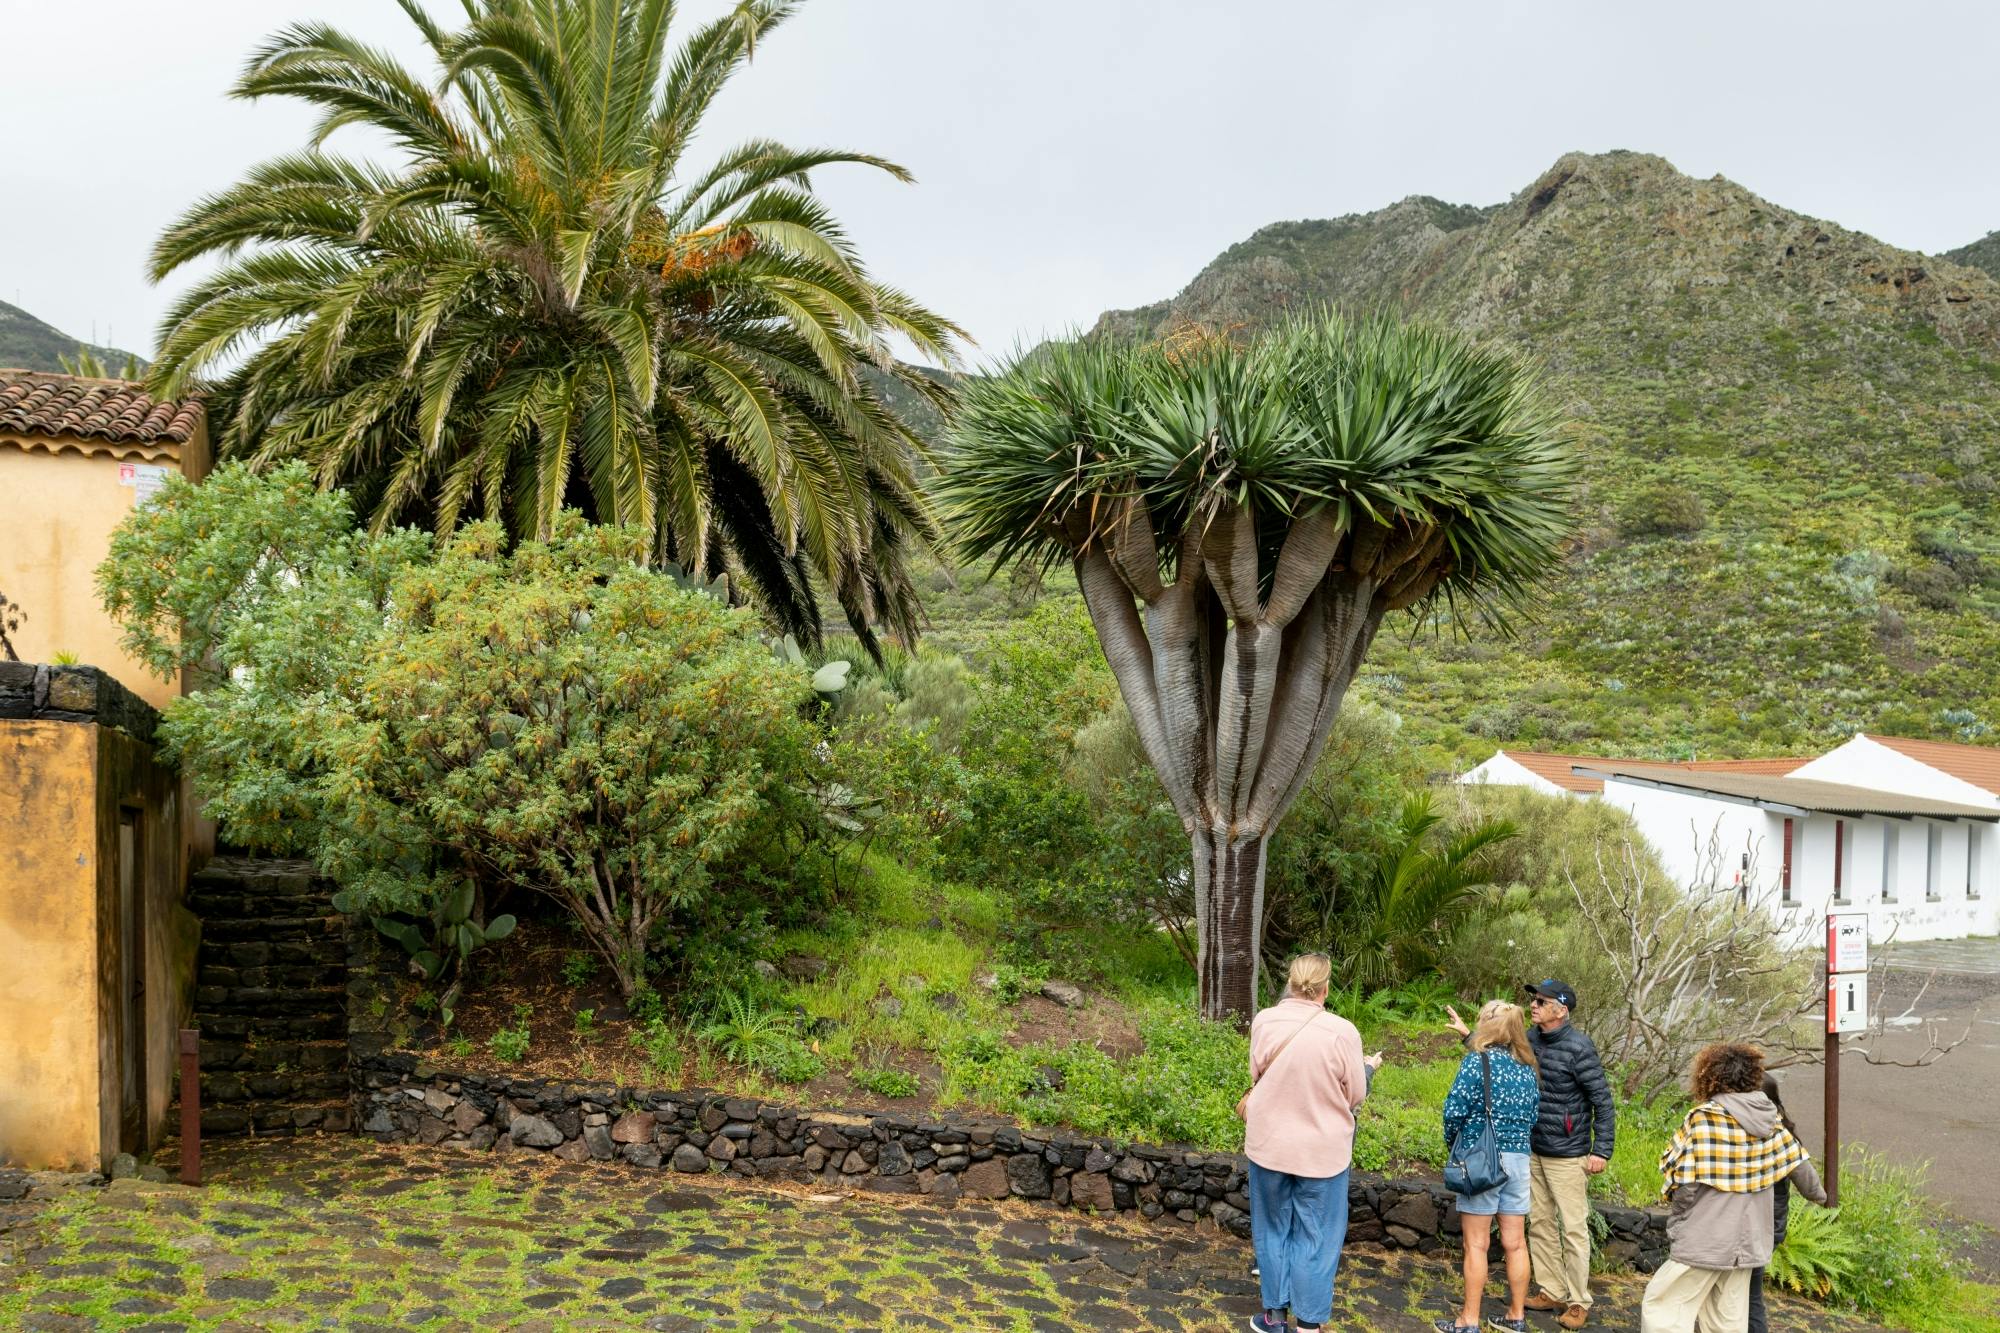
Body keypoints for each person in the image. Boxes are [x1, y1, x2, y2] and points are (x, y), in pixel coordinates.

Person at [1241, 953, 1383, 1333]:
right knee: (1316, 1239)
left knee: (1272, 1229)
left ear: (1291, 982)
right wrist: (1368, 1068)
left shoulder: (1264, 1021)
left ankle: (1273, 1317)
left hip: (1269, 1144)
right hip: (1322, 1153)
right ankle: (1309, 1323)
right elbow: (1355, 1095)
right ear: (1325, 988)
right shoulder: (1342, 1031)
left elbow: (1258, 1072)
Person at [1640, 1043, 1826, 1333]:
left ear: (1711, 1075)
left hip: (1706, 1238)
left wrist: (1678, 1220)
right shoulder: (1771, 1119)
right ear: (1752, 1076)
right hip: (1748, 1243)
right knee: (1726, 1320)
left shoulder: (1704, 1117)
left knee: (1666, 1307)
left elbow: (1685, 1183)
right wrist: (1821, 1197)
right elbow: (1802, 1169)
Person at [1434, 1000, 1541, 1333]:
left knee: (1476, 1244)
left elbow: (1454, 1111)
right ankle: (1516, 1316)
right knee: (1516, 1243)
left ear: (1488, 1025)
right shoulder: (1527, 1068)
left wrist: (1456, 1142)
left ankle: (1468, 1320)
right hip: (1520, 1160)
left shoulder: (1476, 1062)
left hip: (1483, 1159)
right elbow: (1533, 1117)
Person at [1520, 979, 1616, 1330]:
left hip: (1568, 1154)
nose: (1533, 1005)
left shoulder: (1580, 1047)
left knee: (1574, 1229)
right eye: (1533, 999)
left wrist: (1601, 1150)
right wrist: (1469, 1036)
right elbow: (1496, 1056)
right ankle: (1552, 1290)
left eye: (1541, 1001)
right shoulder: (1530, 1039)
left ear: (1561, 1010)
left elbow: (1603, 1103)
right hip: (1534, 1149)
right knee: (1541, 1223)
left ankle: (1578, 1301)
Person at [1744, 1075, 1801, 1333]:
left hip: (1748, 1230)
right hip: (1769, 1230)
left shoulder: (1756, 1132)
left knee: (1744, 1300)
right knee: (1751, 1299)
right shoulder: (1783, 1131)